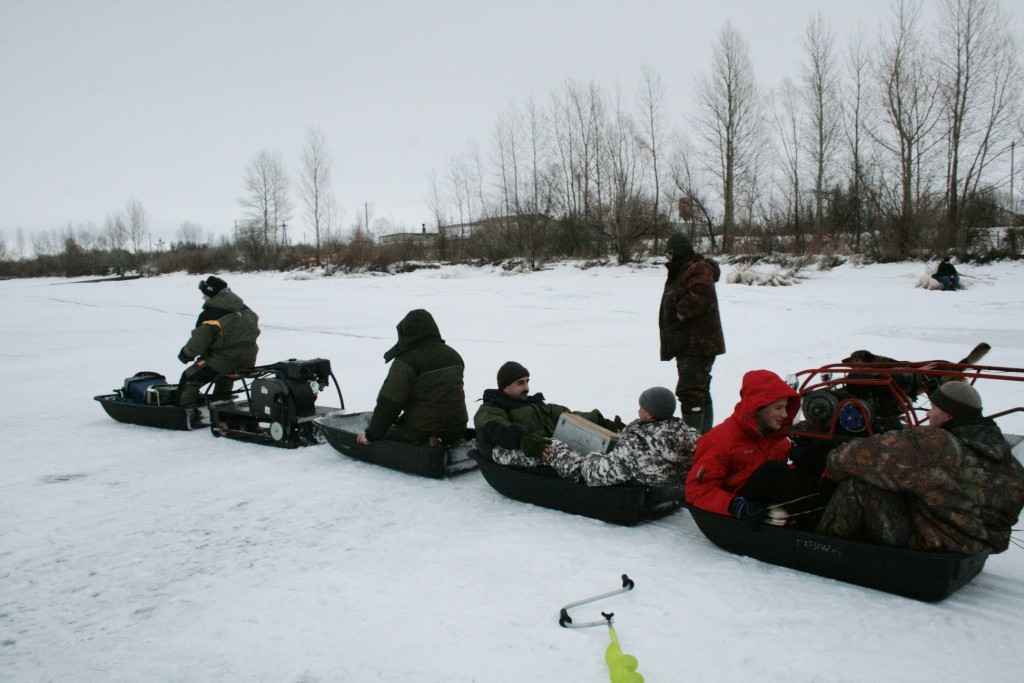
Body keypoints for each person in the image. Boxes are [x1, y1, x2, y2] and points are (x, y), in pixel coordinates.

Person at [816, 381, 1024, 553]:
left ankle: (822, 548)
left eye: (933, 409)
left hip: (932, 542)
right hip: (976, 546)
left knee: (859, 486)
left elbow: (862, 455)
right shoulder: (1005, 457)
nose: (929, 415)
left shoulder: (938, 443)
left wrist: (831, 466)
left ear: (947, 415)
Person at [685, 370, 834, 529]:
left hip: (769, 494)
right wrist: (737, 506)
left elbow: (783, 481)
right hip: (740, 505)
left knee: (822, 448)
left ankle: (833, 506)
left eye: (785, 407)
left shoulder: (777, 439)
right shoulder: (721, 439)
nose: (785, 414)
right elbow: (697, 490)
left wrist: (804, 459)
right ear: (758, 408)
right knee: (772, 470)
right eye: (778, 408)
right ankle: (822, 521)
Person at [473, 361, 623, 468]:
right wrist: (524, 440)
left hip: (538, 446)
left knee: (590, 441)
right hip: (514, 449)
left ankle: (617, 463)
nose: (527, 387)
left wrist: (599, 422)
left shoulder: (532, 404)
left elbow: (566, 416)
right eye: (520, 383)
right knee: (558, 451)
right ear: (505, 386)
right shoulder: (492, 408)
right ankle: (593, 476)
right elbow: (499, 429)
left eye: (527, 381)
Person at [542, 387, 699, 487]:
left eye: (642, 407)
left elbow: (593, 475)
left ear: (650, 415)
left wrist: (595, 453)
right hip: (663, 483)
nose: (639, 410)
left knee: (552, 446)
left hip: (625, 483)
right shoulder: (689, 433)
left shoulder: (636, 446)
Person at [357, 309, 468, 446]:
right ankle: (440, 439)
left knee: (384, 431)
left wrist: (371, 435)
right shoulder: (453, 355)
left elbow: (389, 403)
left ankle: (429, 442)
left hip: (421, 430)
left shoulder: (407, 361)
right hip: (457, 428)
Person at [659, 232, 725, 434]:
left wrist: (682, 311)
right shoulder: (686, 269)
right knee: (699, 390)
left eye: (669, 253)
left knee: (690, 392)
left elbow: (703, 291)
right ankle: (703, 438)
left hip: (697, 344)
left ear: (677, 252)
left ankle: (693, 441)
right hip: (690, 343)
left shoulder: (696, 268)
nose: (667, 257)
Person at [177, 276, 260, 406]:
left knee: (189, 379)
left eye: (204, 294)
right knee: (225, 378)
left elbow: (199, 342)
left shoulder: (210, 315)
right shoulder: (247, 310)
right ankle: (222, 407)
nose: (203, 297)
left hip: (223, 360)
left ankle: (185, 411)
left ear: (211, 293)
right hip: (247, 359)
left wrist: (185, 354)